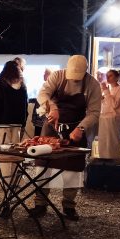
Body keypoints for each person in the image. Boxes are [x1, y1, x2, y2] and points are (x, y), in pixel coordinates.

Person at [33, 55, 102, 221]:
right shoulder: (57, 76)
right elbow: (42, 94)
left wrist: (81, 128)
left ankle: (69, 206)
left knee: (73, 168)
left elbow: (94, 112)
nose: (75, 80)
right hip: (52, 126)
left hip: (76, 128)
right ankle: (40, 203)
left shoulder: (92, 84)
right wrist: (52, 107)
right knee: (43, 165)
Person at [0, 60, 29, 144]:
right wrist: (23, 122)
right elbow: (25, 106)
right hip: (18, 123)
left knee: (5, 149)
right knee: (16, 148)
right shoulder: (23, 86)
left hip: (2, 123)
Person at [98, 68, 120, 159]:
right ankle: (103, 162)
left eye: (110, 76)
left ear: (117, 77)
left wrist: (105, 91)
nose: (108, 78)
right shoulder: (108, 88)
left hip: (113, 119)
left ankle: (115, 162)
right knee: (103, 143)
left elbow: (114, 105)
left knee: (111, 143)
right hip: (103, 117)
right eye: (107, 76)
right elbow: (103, 103)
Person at [31, 68, 53, 136]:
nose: (43, 75)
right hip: (38, 120)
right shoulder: (43, 86)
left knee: (44, 139)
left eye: (45, 73)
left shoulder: (52, 87)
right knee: (36, 139)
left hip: (45, 120)